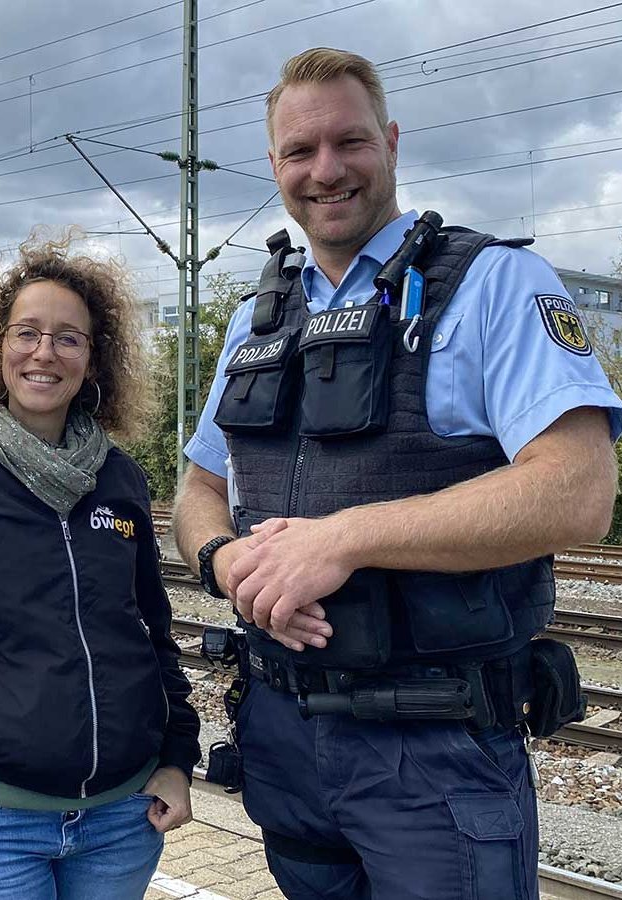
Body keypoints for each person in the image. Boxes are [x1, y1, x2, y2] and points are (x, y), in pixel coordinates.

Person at [173, 47, 622, 900]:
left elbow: (578, 488)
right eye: (299, 153)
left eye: (349, 142)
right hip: (283, 738)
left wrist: (346, 538)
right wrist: (221, 561)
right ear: (274, 167)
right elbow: (198, 488)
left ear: (390, 142)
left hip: (435, 750)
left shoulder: (493, 282)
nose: (326, 169)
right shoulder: (254, 319)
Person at [0, 234, 201, 900]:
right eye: (27, 332)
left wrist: (175, 760)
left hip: (121, 820)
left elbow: (152, 635)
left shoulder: (119, 479)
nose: (44, 353)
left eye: (67, 338)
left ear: (93, 358)